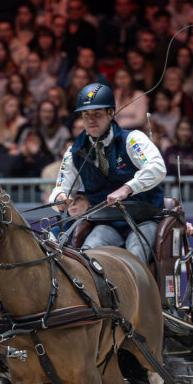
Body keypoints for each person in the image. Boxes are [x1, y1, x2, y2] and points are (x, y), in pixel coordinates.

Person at [48, 83, 166, 264]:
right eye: (86, 115)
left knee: (135, 257)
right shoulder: (74, 151)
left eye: (97, 114)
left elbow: (157, 168)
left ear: (111, 113)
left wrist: (127, 188)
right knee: (88, 256)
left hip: (144, 219)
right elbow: (60, 189)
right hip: (106, 223)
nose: (91, 120)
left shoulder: (133, 139)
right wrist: (60, 198)